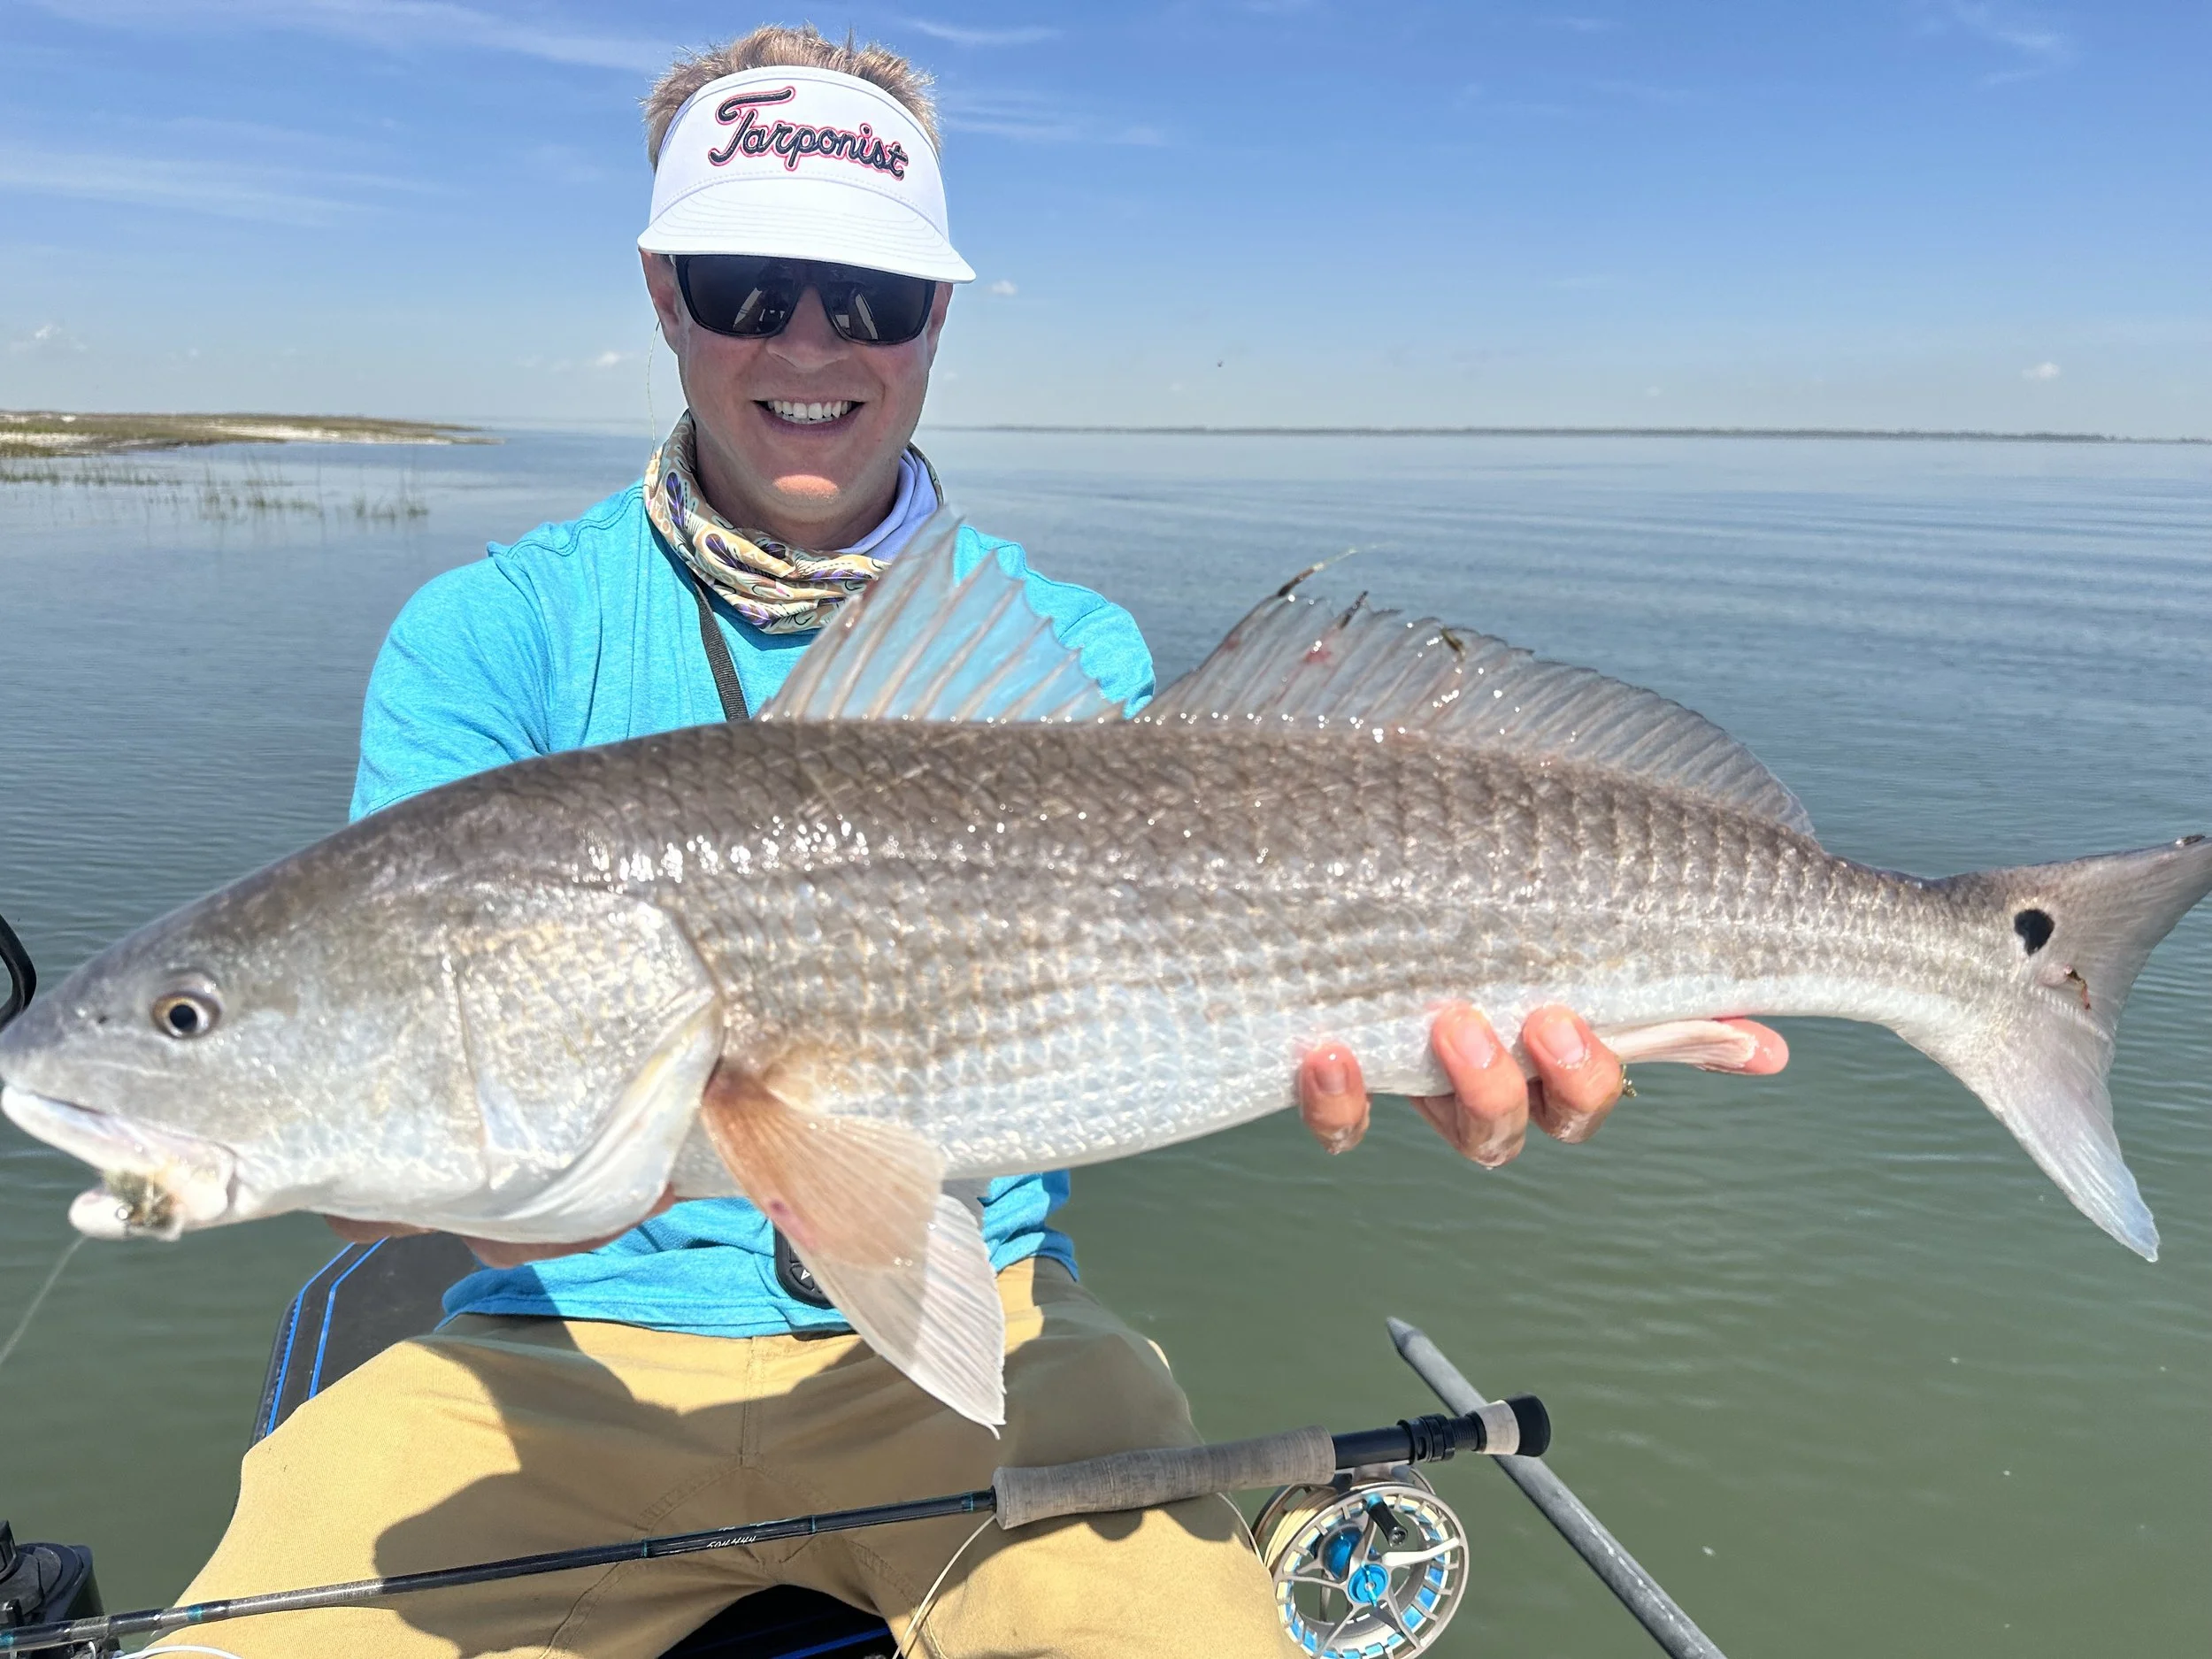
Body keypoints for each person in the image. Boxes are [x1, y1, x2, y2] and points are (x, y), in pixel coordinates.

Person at [167, 27, 1786, 1659]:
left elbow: (1257, 987)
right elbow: (364, 1125)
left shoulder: (1064, 656)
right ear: (663, 292)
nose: (812, 339)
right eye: (747, 282)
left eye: (870, 296)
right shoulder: (489, 637)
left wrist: (1447, 1060)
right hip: (555, 1354)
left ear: (938, 313)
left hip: (991, 1345)